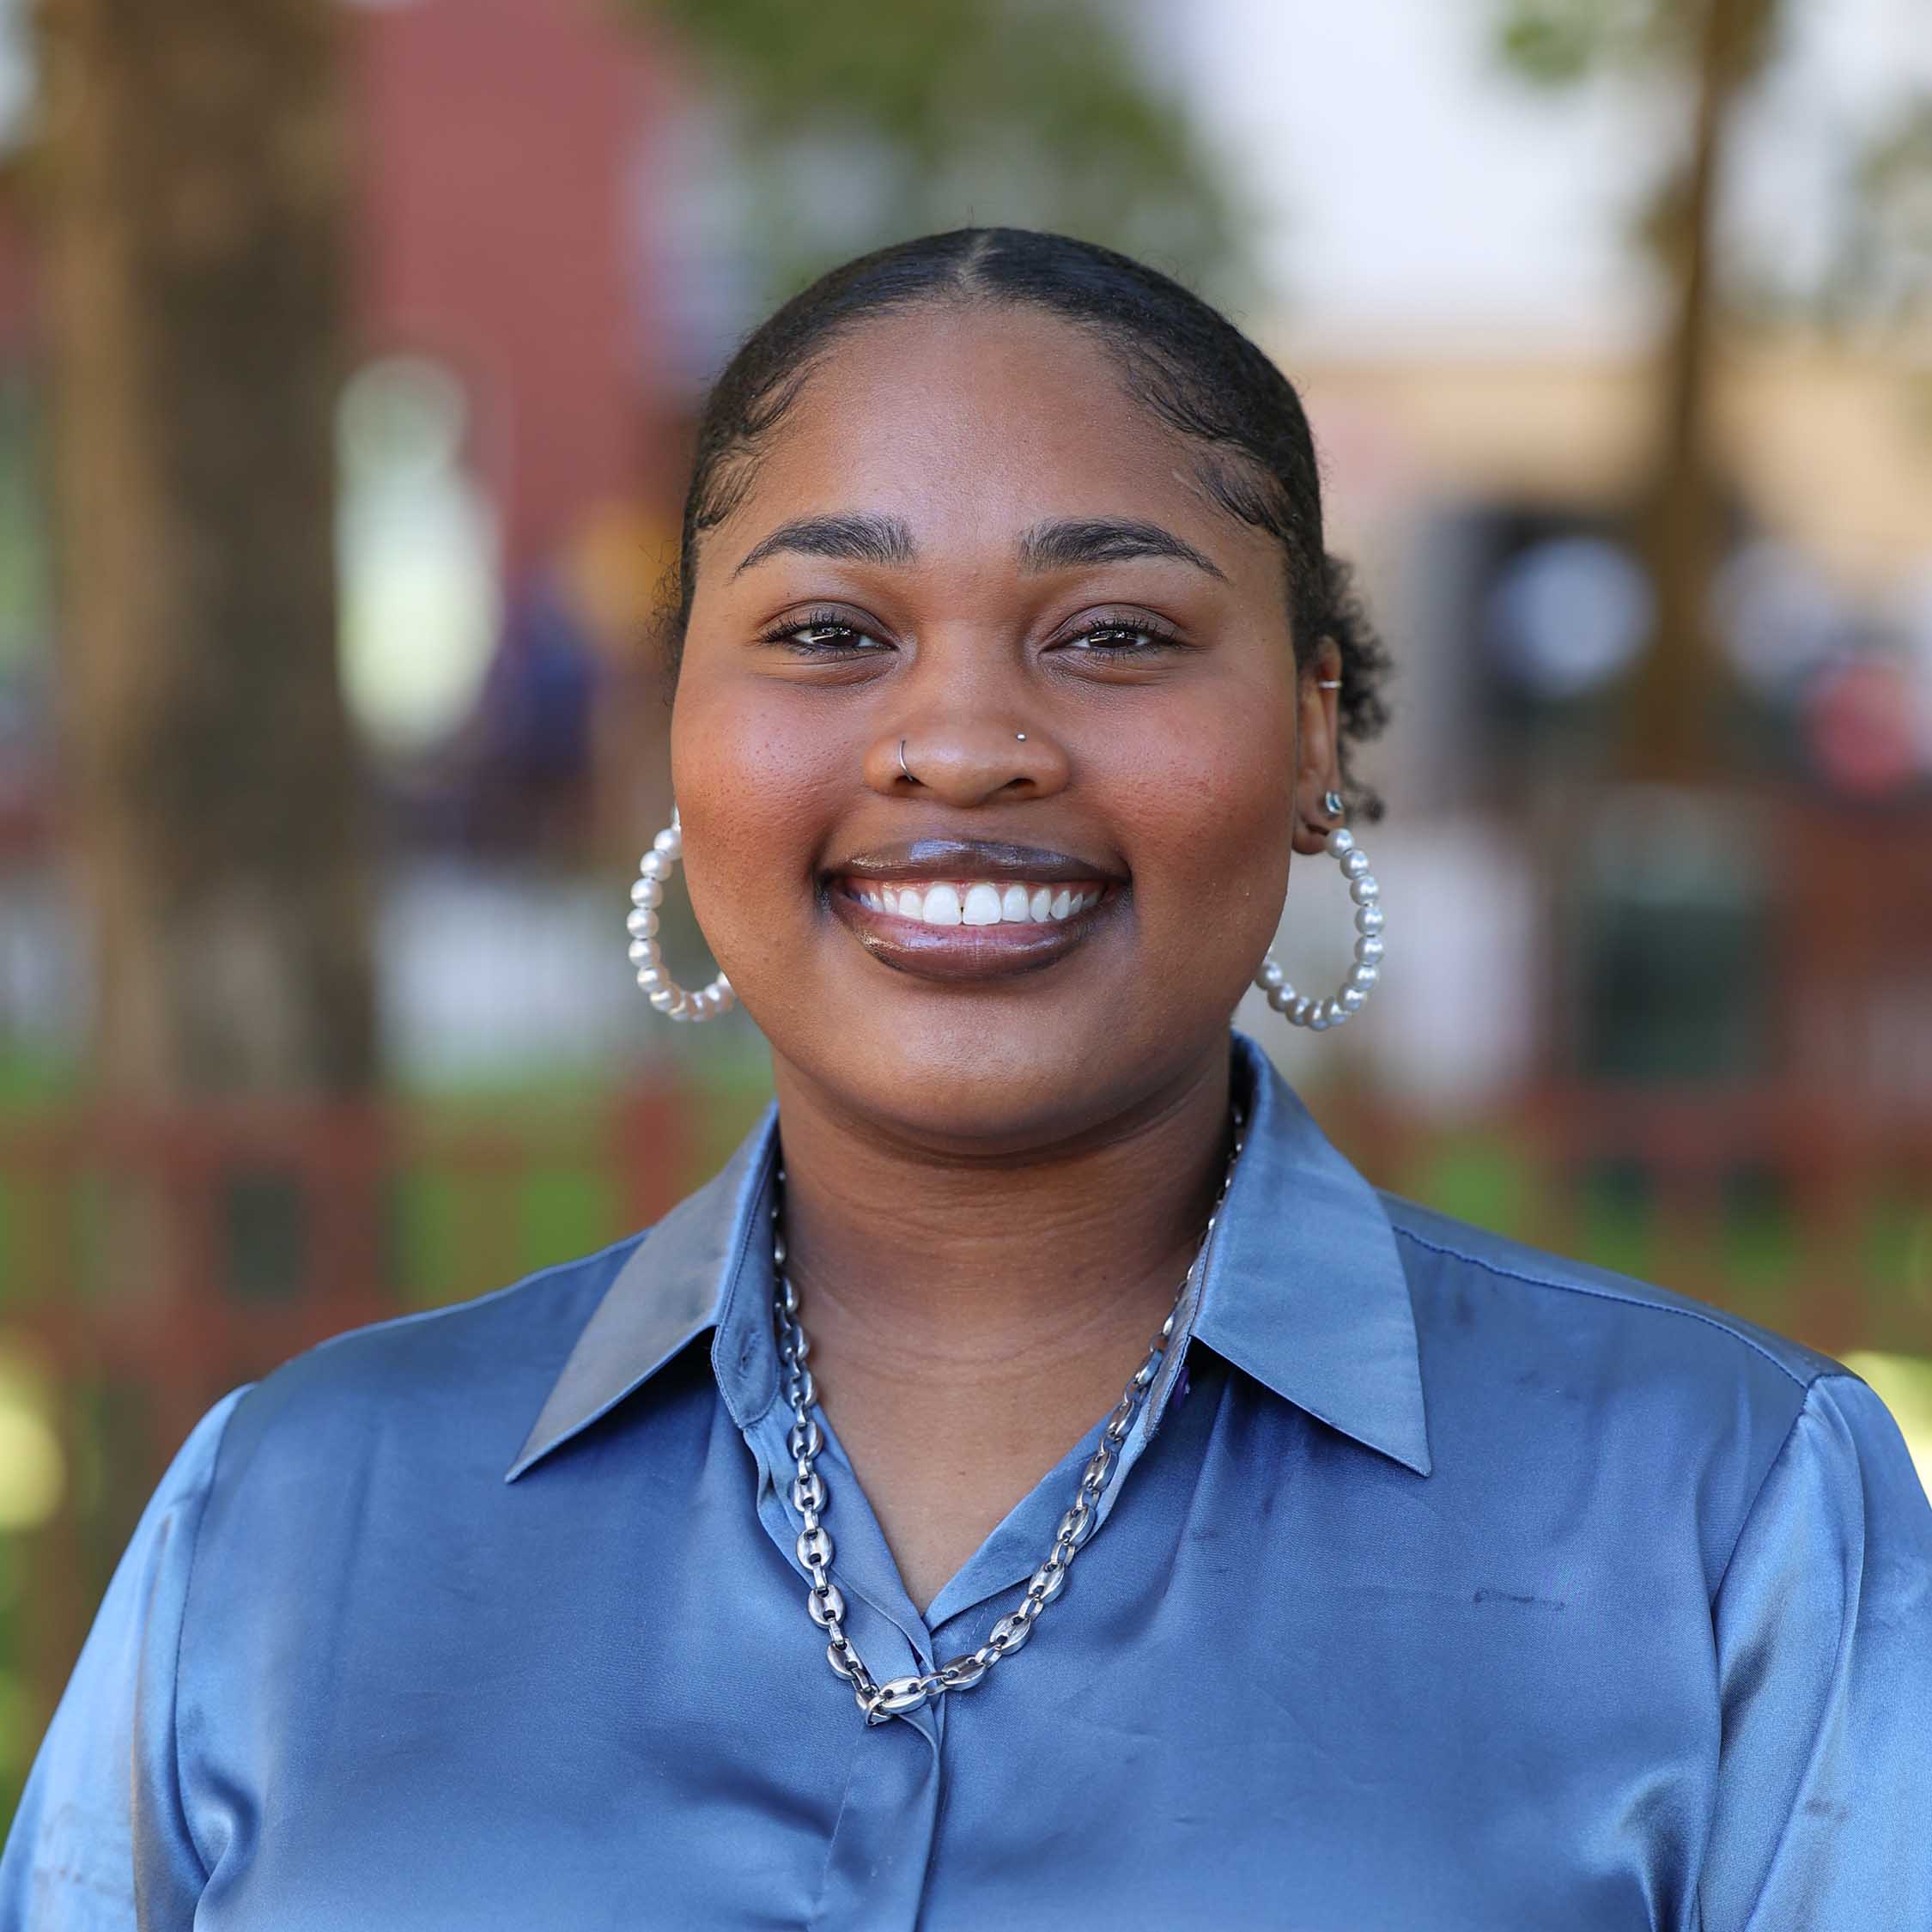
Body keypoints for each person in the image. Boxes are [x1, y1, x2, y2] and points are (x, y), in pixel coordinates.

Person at [5, 227, 1929, 1930]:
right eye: (830, 632)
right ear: (683, 720)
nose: (962, 741)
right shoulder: (287, 1522)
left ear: (1314, 727)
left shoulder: (1728, 1523)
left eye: (1114, 635)